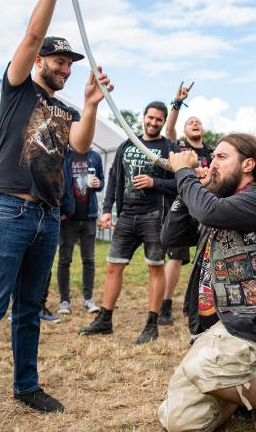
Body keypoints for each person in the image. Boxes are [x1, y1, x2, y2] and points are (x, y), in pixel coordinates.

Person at [0, 0, 112, 432]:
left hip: (46, 217)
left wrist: (89, 104)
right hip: (8, 211)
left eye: (70, 63)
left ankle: (26, 386)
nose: (64, 67)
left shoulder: (63, 109)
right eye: (58, 60)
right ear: (41, 60)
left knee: (29, 311)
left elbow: (80, 145)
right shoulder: (18, 86)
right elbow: (31, 33)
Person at [157, 133, 256, 432]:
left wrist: (184, 174)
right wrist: (185, 188)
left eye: (221, 157)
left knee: (203, 367)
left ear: (248, 164)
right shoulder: (215, 202)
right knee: (178, 422)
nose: (212, 163)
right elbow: (171, 238)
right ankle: (245, 393)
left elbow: (209, 211)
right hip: (216, 329)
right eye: (212, 156)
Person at [79, 101, 180, 344]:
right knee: (114, 266)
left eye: (159, 119)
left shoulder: (169, 147)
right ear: (143, 117)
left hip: (154, 217)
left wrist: (154, 183)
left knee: (155, 268)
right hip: (126, 217)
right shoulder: (128, 144)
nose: (153, 122)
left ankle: (152, 324)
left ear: (164, 121)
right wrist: (106, 210)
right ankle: (105, 320)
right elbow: (114, 178)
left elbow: (180, 182)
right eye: (150, 117)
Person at [161, 80, 213, 326]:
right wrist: (178, 102)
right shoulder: (179, 148)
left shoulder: (212, 154)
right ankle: (166, 303)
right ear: (184, 130)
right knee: (176, 257)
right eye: (191, 122)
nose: (195, 123)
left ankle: (201, 300)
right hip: (183, 210)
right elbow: (169, 127)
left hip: (206, 210)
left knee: (207, 255)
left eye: (198, 122)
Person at [56, 146, 105, 315]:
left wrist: (99, 184)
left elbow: (102, 182)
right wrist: (61, 210)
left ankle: (88, 299)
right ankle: (64, 301)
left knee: (89, 260)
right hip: (68, 217)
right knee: (64, 260)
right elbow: (58, 183)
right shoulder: (64, 156)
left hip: (89, 216)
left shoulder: (95, 157)